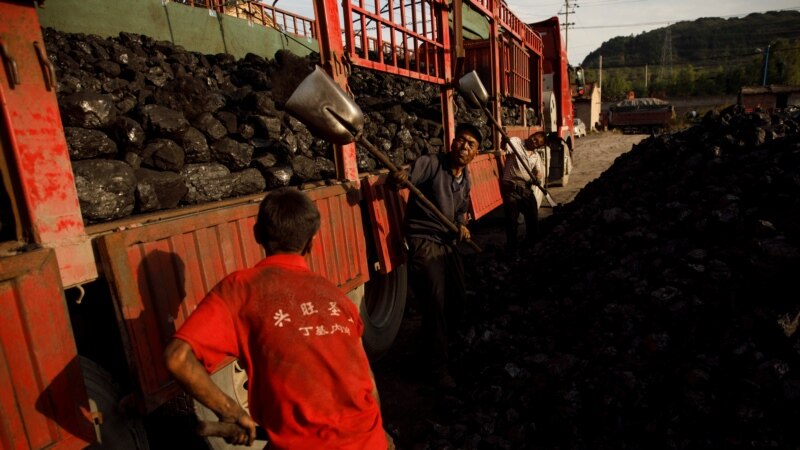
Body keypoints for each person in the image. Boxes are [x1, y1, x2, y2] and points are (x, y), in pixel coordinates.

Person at [163, 187, 392, 449]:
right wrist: (380, 432)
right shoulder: (334, 295)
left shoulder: (241, 288)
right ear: (312, 243)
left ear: (256, 233)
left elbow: (178, 358)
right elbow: (369, 382)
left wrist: (231, 411)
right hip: (369, 438)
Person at [393, 122, 481, 390]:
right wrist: (398, 178)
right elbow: (405, 176)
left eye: (470, 145)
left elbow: (459, 212)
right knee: (436, 303)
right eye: (460, 141)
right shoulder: (432, 163)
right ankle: (437, 370)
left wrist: (462, 225)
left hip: (447, 241)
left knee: (457, 300)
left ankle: (431, 349)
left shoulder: (465, 178)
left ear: (476, 153)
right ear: (452, 142)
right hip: (424, 240)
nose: (463, 147)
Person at [501, 132, 547, 255]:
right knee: (512, 221)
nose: (533, 141)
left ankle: (531, 244)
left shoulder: (536, 156)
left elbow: (538, 172)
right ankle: (512, 249)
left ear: (538, 147)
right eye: (533, 138)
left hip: (525, 188)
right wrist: (505, 140)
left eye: (537, 142)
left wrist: (537, 178)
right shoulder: (516, 142)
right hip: (511, 187)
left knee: (532, 214)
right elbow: (505, 146)